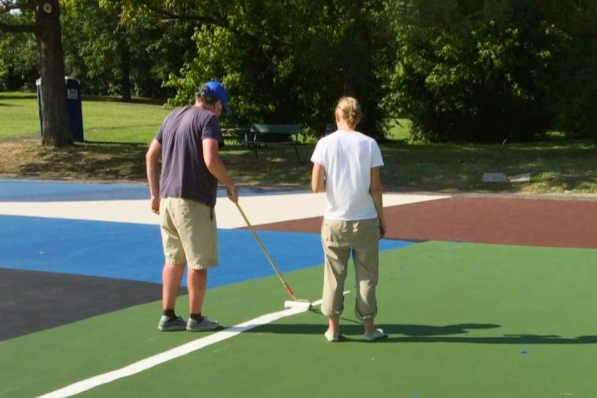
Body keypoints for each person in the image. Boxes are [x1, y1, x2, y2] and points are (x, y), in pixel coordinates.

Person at [146, 81, 239, 332]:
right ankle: (195, 318)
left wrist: (154, 194)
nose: (221, 112)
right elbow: (210, 158)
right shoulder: (208, 121)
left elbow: (151, 155)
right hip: (193, 200)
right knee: (198, 260)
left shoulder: (173, 116)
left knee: (173, 259)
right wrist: (229, 184)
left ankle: (168, 315)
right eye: (222, 107)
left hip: (167, 200)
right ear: (216, 103)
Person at [310, 96, 387, 342]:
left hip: (335, 219)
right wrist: (382, 219)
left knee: (334, 274)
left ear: (337, 116)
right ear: (359, 117)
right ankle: (369, 329)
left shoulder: (325, 143)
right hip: (365, 218)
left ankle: (333, 329)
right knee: (366, 275)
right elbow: (375, 187)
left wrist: (333, 187)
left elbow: (315, 185)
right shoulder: (370, 144)